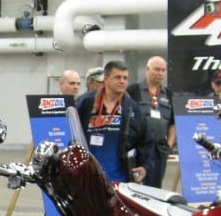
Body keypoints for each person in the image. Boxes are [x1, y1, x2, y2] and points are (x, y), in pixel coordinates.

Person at [75, 60, 154, 183]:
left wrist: (145, 166)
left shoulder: (132, 109)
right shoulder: (86, 102)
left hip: (118, 180)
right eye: (117, 77)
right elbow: (70, 131)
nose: (122, 81)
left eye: (125, 78)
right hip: (86, 179)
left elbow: (146, 141)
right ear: (106, 79)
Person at [127, 55, 176, 189]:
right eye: (157, 69)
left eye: (163, 70)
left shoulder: (169, 94)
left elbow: (173, 124)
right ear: (147, 70)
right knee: (136, 185)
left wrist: (169, 146)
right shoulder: (133, 90)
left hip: (159, 150)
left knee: (156, 187)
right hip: (139, 148)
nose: (160, 73)